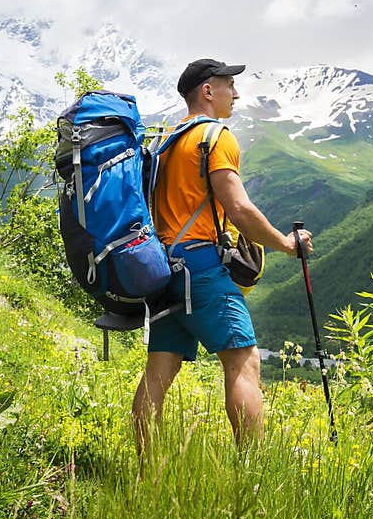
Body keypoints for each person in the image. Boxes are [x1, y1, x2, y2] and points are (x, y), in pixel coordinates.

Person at [132, 58, 314, 457]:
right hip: (201, 268)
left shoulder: (166, 143)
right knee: (244, 362)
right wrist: (286, 243)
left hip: (163, 271)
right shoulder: (215, 137)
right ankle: (253, 471)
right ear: (207, 91)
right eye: (229, 84)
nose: (237, 92)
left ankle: (145, 472)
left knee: (158, 374)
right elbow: (240, 209)